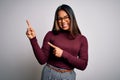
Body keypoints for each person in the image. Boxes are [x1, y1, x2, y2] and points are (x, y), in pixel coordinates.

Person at [26, 4, 88, 80]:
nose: (63, 21)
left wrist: (63, 54)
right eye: (59, 19)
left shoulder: (82, 39)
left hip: (68, 76)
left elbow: (83, 65)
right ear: (56, 20)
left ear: (72, 17)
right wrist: (33, 39)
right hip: (49, 74)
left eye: (66, 17)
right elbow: (42, 60)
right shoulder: (50, 35)